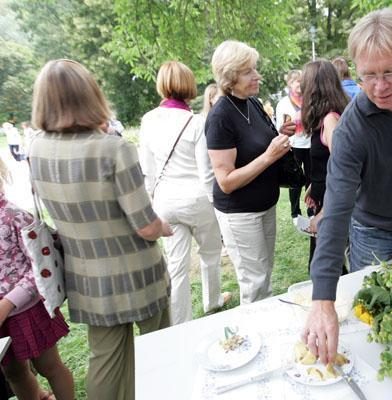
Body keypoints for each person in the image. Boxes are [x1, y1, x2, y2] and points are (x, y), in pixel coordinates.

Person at [302, 8, 392, 364]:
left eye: (390, 73)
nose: (379, 88)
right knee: (376, 320)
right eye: (368, 76)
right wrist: (323, 301)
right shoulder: (352, 129)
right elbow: (336, 211)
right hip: (371, 234)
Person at [28, 59, 172, 400]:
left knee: (104, 362)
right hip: (138, 273)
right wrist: (165, 227)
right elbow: (147, 226)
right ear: (90, 95)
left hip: (87, 277)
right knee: (162, 349)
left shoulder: (37, 148)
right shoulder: (114, 149)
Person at [139, 62, 231, 324]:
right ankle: (211, 300)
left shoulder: (148, 120)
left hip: (166, 201)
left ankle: (179, 321)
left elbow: (148, 169)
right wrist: (217, 205)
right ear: (189, 85)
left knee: (176, 266)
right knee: (210, 254)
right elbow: (206, 172)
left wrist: (152, 203)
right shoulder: (196, 121)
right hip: (198, 199)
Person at [206, 41, 292, 304]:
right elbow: (226, 181)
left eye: (254, 69)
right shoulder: (220, 117)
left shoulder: (252, 103)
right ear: (230, 77)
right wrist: (269, 156)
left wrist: (280, 136)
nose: (257, 76)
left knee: (263, 274)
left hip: (264, 205)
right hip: (241, 213)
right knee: (254, 286)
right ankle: (255, 339)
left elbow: (255, 144)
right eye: (248, 71)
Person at [0, 157, 74, 400]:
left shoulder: (14, 217)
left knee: (48, 366)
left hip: (26, 311)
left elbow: (40, 270)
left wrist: (7, 303)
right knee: (13, 372)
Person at [300, 60, 349, 269]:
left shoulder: (330, 120)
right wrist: (315, 186)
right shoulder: (323, 119)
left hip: (332, 209)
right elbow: (327, 164)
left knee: (326, 267)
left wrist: (323, 214)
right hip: (324, 200)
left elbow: (344, 171)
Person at [275, 70, 311, 221]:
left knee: (310, 178)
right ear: (289, 83)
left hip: (309, 143)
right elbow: (279, 127)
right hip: (294, 144)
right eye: (297, 81)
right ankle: (295, 212)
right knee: (295, 179)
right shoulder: (283, 103)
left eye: (302, 81)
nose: (300, 85)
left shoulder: (310, 100)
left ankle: (312, 209)